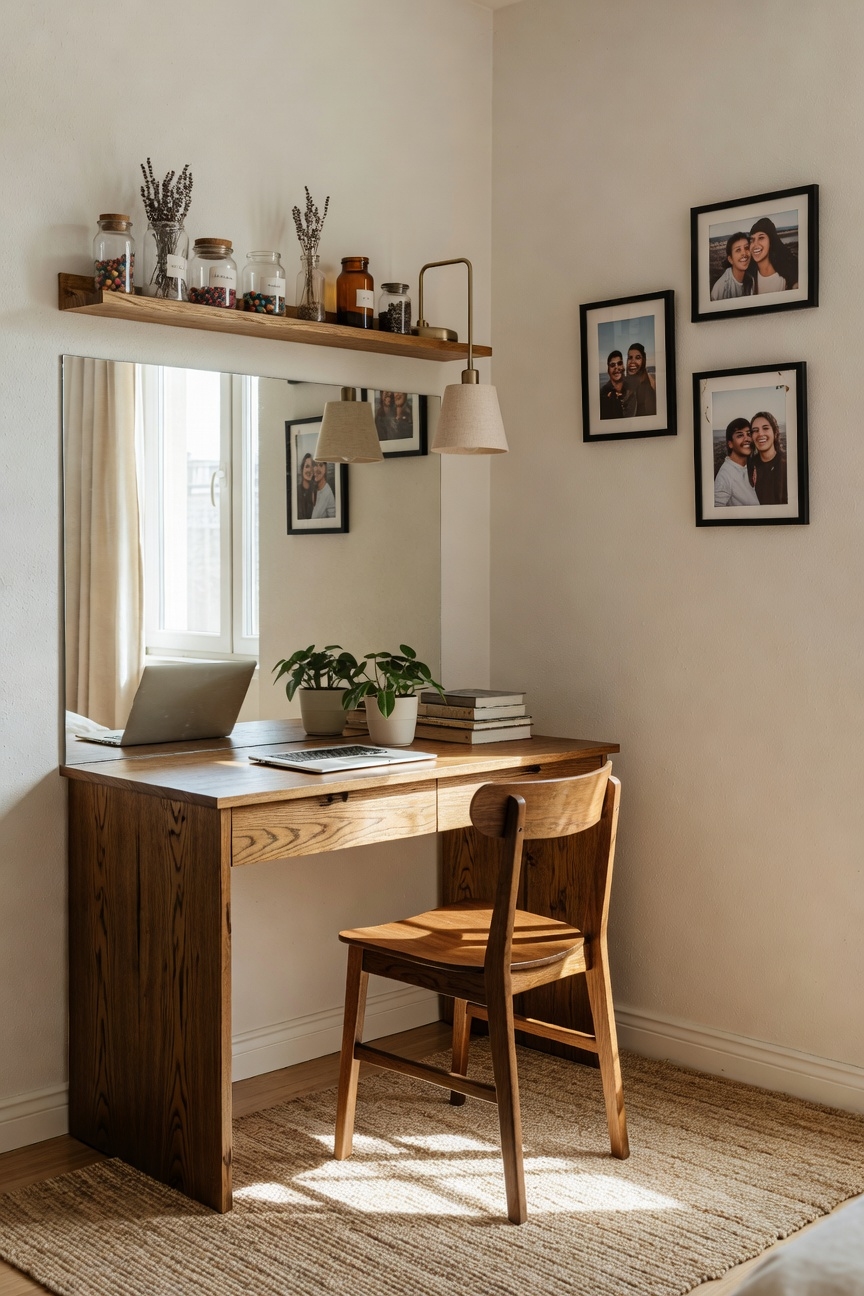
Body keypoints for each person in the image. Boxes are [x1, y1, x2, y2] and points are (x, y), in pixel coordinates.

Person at [745, 217, 798, 294]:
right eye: (752, 240)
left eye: (761, 238)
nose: (755, 244)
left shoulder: (788, 276)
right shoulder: (747, 277)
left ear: (771, 242)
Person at [714, 418, 760, 506]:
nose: (747, 438)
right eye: (740, 435)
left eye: (749, 434)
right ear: (730, 444)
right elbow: (716, 511)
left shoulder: (749, 466)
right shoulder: (725, 476)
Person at [749, 410, 788, 505]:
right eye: (755, 430)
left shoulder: (788, 464)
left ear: (775, 433)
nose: (760, 434)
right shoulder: (749, 466)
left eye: (765, 428)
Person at [710, 232, 751, 300]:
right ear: (730, 259)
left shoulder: (751, 280)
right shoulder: (721, 288)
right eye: (738, 250)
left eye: (746, 248)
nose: (744, 253)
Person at [599, 350, 637, 419]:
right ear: (608, 370)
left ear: (623, 368)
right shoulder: (602, 394)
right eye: (612, 365)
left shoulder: (632, 391)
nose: (616, 367)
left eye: (619, 363)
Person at [626, 342, 656, 416]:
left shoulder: (647, 386)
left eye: (638, 357)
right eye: (630, 357)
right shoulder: (628, 382)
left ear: (643, 360)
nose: (632, 361)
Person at [297, 452, 316, 519]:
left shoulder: (315, 491)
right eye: (307, 466)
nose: (310, 470)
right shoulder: (296, 492)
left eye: (312, 467)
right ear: (302, 469)